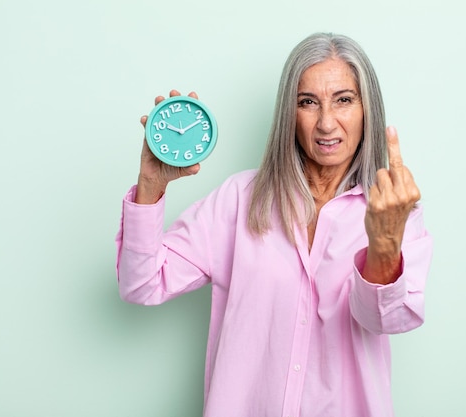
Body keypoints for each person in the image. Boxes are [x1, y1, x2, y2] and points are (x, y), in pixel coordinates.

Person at [116, 32, 433, 417]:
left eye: (344, 100)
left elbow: (387, 318)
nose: (326, 123)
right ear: (290, 113)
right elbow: (142, 284)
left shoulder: (395, 212)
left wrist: (384, 241)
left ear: (368, 110)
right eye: (308, 102)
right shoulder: (238, 198)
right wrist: (152, 183)